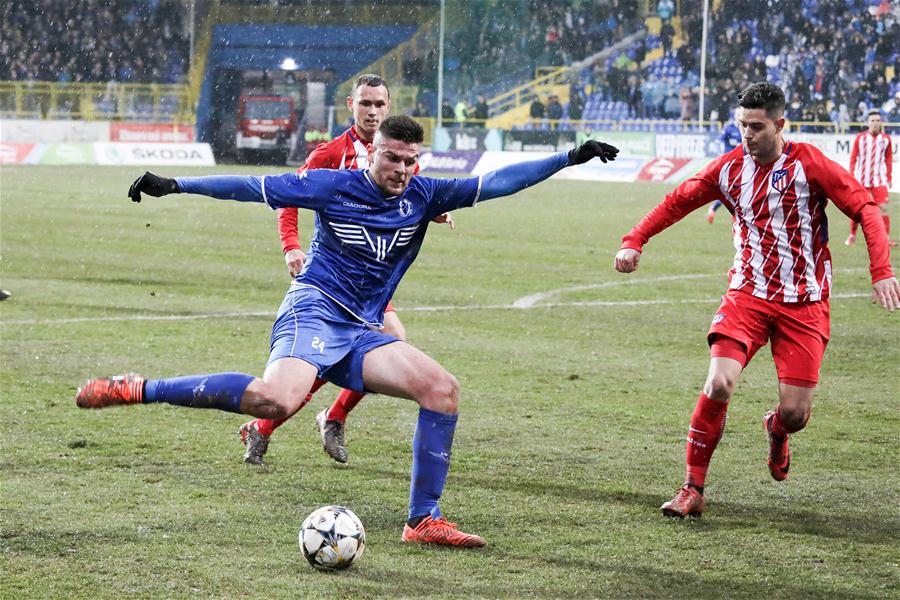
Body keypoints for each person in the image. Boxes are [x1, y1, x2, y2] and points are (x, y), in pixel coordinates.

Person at [76, 115, 620, 546]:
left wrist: (569, 157)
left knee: (442, 390)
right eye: (391, 158)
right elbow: (251, 185)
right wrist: (177, 184)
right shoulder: (333, 186)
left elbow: (498, 183)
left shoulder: (425, 195)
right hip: (313, 309)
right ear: (371, 153)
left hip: (361, 328)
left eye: (410, 161)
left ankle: (422, 520)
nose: (401, 169)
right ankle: (138, 387)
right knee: (272, 401)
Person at [614, 82, 899, 519]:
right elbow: (678, 201)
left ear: (780, 124)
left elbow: (865, 208)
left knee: (796, 413)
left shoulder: (810, 164)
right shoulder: (729, 168)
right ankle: (692, 487)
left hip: (805, 302)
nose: (747, 134)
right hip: (747, 294)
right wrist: (636, 239)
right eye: (742, 125)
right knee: (718, 382)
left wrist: (881, 271)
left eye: (757, 126)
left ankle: (776, 428)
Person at [247, 74, 453, 467]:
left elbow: (411, 194)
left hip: (374, 279)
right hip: (334, 276)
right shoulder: (329, 154)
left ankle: (329, 417)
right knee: (354, 350)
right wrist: (291, 245)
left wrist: (435, 212)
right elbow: (289, 196)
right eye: (365, 104)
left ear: (388, 108)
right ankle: (274, 425)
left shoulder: (397, 151)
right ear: (351, 106)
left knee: (391, 344)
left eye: (379, 104)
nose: (372, 111)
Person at [845, 109, 896, 247]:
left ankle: (885, 239)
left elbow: (888, 159)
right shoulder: (860, 138)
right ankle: (852, 235)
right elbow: (853, 158)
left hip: (879, 180)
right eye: (873, 121)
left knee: (883, 208)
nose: (875, 123)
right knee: (857, 209)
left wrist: (889, 177)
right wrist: (851, 174)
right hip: (862, 180)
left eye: (878, 121)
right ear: (868, 122)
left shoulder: (886, 139)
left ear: (881, 122)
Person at [706, 115, 743, 224]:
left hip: (740, 163)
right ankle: (716, 208)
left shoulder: (745, 129)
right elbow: (718, 142)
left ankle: (715, 208)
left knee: (733, 190)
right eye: (737, 116)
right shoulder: (729, 128)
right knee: (730, 190)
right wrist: (720, 155)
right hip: (729, 164)